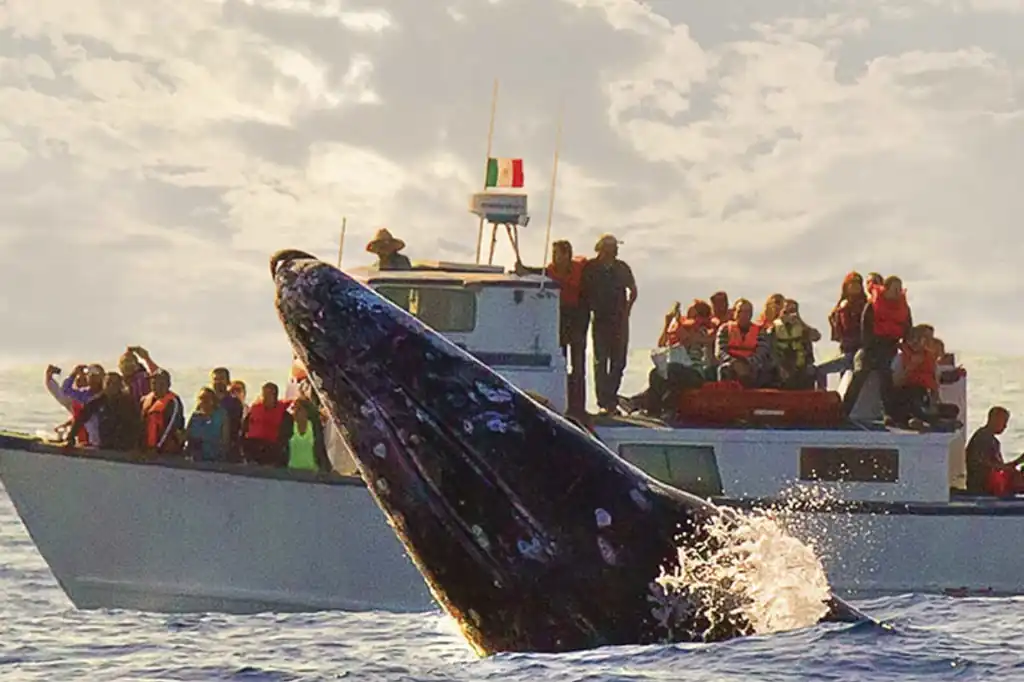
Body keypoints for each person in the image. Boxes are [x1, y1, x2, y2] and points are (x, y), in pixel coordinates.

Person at [580, 234, 637, 415]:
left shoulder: (622, 268)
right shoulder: (590, 267)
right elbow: (582, 291)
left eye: (614, 247)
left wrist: (627, 309)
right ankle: (604, 401)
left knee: (619, 361)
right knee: (600, 360)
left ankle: (611, 397)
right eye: (610, 247)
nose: (614, 250)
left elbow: (633, 290)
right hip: (600, 319)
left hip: (619, 320)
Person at [841, 275, 912, 417]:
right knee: (860, 372)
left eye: (899, 288)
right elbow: (865, 326)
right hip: (870, 346)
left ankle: (889, 414)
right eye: (895, 288)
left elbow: (907, 327)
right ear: (886, 289)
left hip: (889, 346)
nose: (898, 292)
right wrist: (869, 346)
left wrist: (905, 346)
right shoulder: (873, 304)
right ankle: (843, 411)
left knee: (886, 375)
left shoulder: (903, 307)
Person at [545, 240, 590, 416]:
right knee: (561, 363)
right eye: (553, 254)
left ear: (567, 255)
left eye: (557, 253)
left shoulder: (580, 268)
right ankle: (563, 403)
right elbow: (535, 271)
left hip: (578, 317)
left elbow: (590, 263)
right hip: (561, 317)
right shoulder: (550, 270)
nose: (554, 257)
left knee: (578, 364)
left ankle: (579, 407)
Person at [66, 373, 142, 452]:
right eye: (108, 383)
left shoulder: (128, 403)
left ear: (120, 385)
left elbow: (138, 425)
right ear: (103, 385)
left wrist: (138, 448)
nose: (111, 386)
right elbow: (81, 417)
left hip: (124, 448)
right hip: (105, 446)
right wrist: (70, 438)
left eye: (114, 384)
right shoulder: (98, 400)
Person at [818, 272, 867, 389]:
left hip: (859, 349)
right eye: (852, 284)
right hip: (846, 348)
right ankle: (822, 396)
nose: (855, 287)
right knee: (827, 373)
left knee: (852, 376)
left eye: (857, 284)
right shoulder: (841, 306)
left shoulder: (865, 305)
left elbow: (851, 326)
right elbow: (839, 328)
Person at [965, 407, 1024, 495]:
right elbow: (983, 462)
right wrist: (1009, 469)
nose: (1005, 426)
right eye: (1004, 422)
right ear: (994, 419)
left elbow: (998, 465)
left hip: (992, 482)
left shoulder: (992, 440)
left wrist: (1017, 462)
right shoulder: (982, 437)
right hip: (982, 485)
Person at [714, 299, 771, 387]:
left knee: (764, 371)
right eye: (740, 311)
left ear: (751, 314)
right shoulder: (725, 329)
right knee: (723, 369)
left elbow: (762, 352)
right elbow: (720, 351)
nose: (744, 315)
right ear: (735, 313)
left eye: (747, 312)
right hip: (730, 365)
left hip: (752, 366)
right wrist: (734, 363)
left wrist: (747, 363)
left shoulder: (760, 331)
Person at [770, 299, 821, 390]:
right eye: (786, 311)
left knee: (814, 372)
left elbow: (816, 337)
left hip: (801, 367)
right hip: (782, 366)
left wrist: (800, 321)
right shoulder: (773, 328)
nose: (790, 314)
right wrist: (779, 367)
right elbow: (770, 350)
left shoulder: (802, 327)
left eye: (793, 311)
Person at [242, 382, 292, 467]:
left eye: (269, 395)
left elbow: (285, 439)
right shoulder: (254, 411)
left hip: (272, 453)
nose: (265, 398)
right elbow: (244, 429)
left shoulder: (285, 416)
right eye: (264, 395)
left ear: (275, 396)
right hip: (253, 451)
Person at [140, 369, 185, 455]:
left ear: (168, 385)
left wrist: (157, 448)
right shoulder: (145, 400)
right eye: (154, 383)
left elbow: (171, 427)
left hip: (165, 451)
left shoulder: (173, 402)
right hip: (147, 449)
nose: (156, 386)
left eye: (161, 383)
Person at [185, 388, 230, 463]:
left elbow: (225, 441)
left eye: (206, 398)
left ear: (213, 400)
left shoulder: (221, 416)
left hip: (216, 460)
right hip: (196, 459)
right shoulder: (195, 417)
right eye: (201, 398)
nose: (203, 401)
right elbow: (187, 435)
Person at [210, 367, 244, 462]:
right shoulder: (207, 400)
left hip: (226, 449)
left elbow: (235, 428)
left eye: (221, 379)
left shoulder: (234, 403)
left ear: (228, 381)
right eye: (215, 379)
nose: (218, 382)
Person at [287, 398, 331, 472]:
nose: (295, 412)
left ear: (306, 412)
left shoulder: (314, 427)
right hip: (291, 471)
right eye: (294, 408)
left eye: (299, 409)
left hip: (311, 473)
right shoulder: (288, 426)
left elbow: (320, 449)